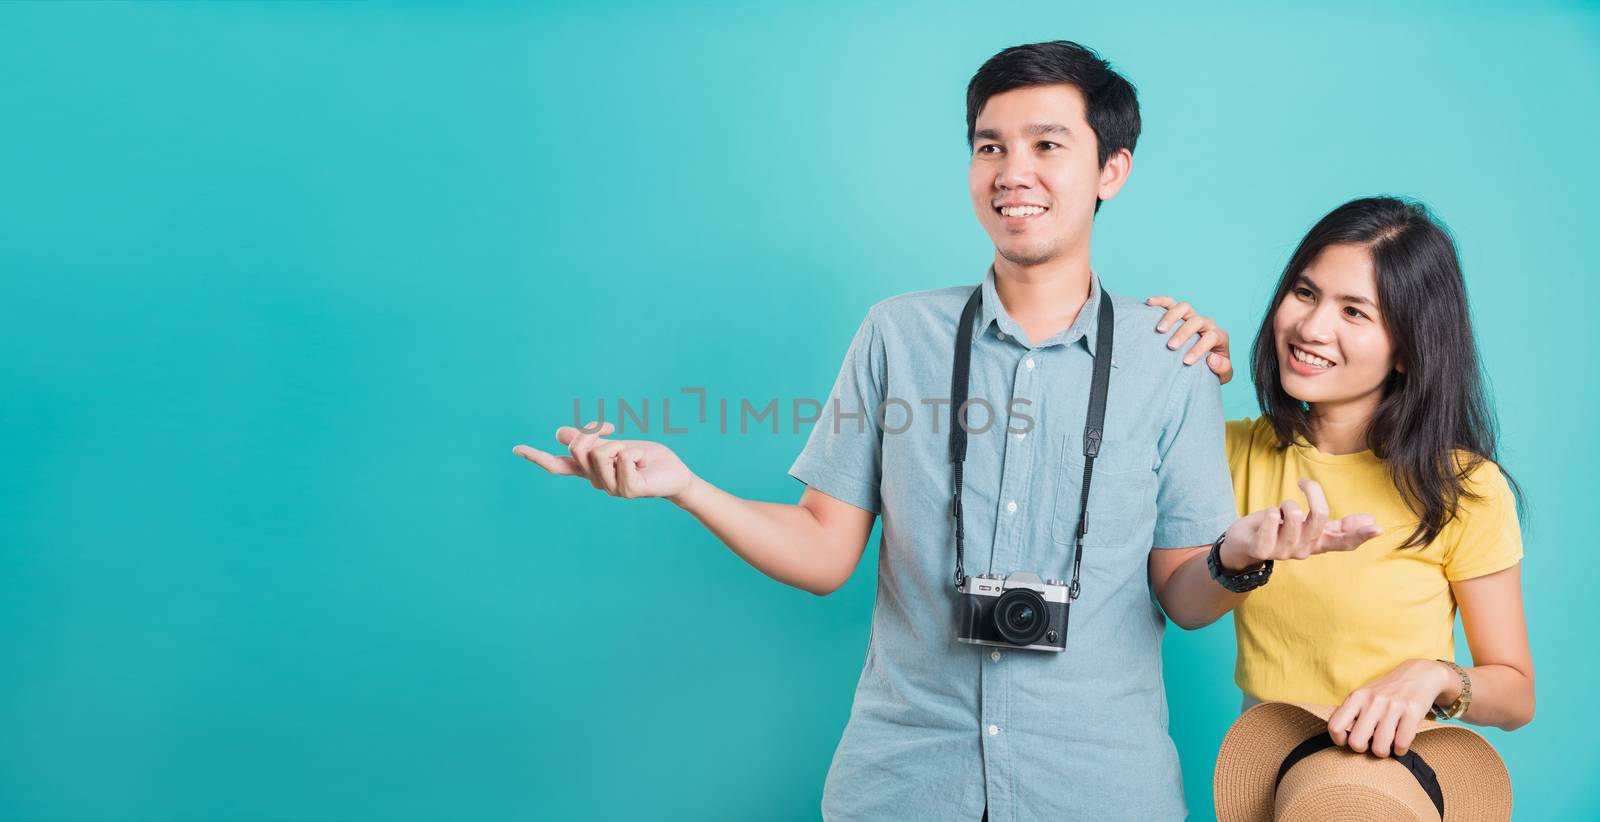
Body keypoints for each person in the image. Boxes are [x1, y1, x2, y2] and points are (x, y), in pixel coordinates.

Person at [512, 42, 1379, 821]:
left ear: (1112, 170)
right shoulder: (896, 335)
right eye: (990, 146)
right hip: (902, 783)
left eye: (1047, 145)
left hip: (1099, 790)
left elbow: (1183, 599)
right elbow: (823, 550)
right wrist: (686, 485)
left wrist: (1239, 555)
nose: (1013, 171)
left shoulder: (1173, 361)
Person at [1149, 196, 1535, 761]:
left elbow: (1517, 695)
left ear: (1406, 349)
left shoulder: (1463, 488)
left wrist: (1436, 677)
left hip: (1393, 790)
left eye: (1354, 312)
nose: (1310, 326)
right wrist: (1177, 374)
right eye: (1305, 293)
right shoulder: (1226, 450)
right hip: (1271, 780)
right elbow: (1182, 607)